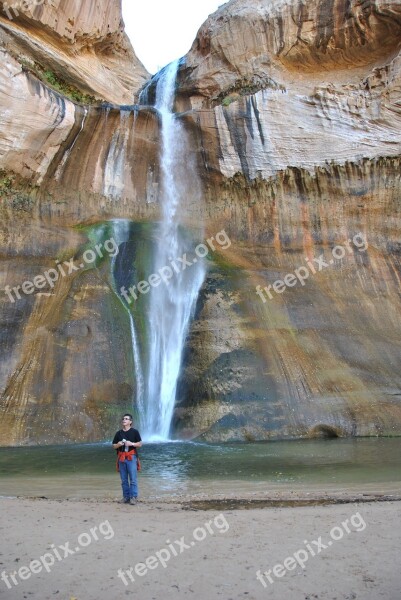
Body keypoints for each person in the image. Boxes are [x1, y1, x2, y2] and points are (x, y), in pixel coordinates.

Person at [112, 414, 142, 505]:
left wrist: (131, 444)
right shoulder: (118, 433)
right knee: (124, 480)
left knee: (133, 479)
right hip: (121, 457)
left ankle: (133, 497)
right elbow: (113, 446)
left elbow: (140, 444)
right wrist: (119, 444)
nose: (124, 420)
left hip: (131, 457)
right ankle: (126, 497)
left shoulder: (135, 432)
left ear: (130, 422)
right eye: (123, 419)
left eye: (126, 419)